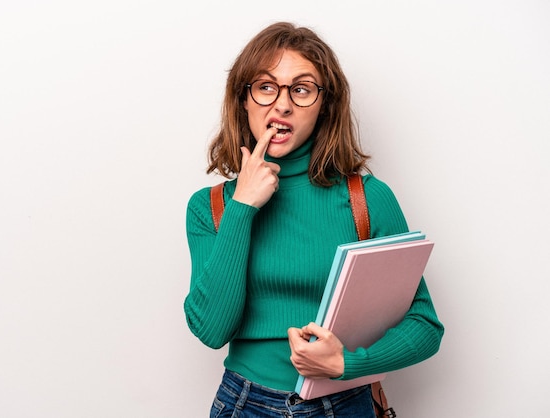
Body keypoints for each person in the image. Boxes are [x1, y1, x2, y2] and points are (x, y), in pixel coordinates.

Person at [184, 21, 444, 417]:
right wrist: (243, 207)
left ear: (324, 106)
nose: (282, 104)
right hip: (244, 404)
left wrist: (346, 365)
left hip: (345, 403)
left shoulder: (367, 198)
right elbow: (211, 330)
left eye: (301, 89)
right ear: (244, 99)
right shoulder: (212, 207)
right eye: (266, 86)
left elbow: (425, 324)